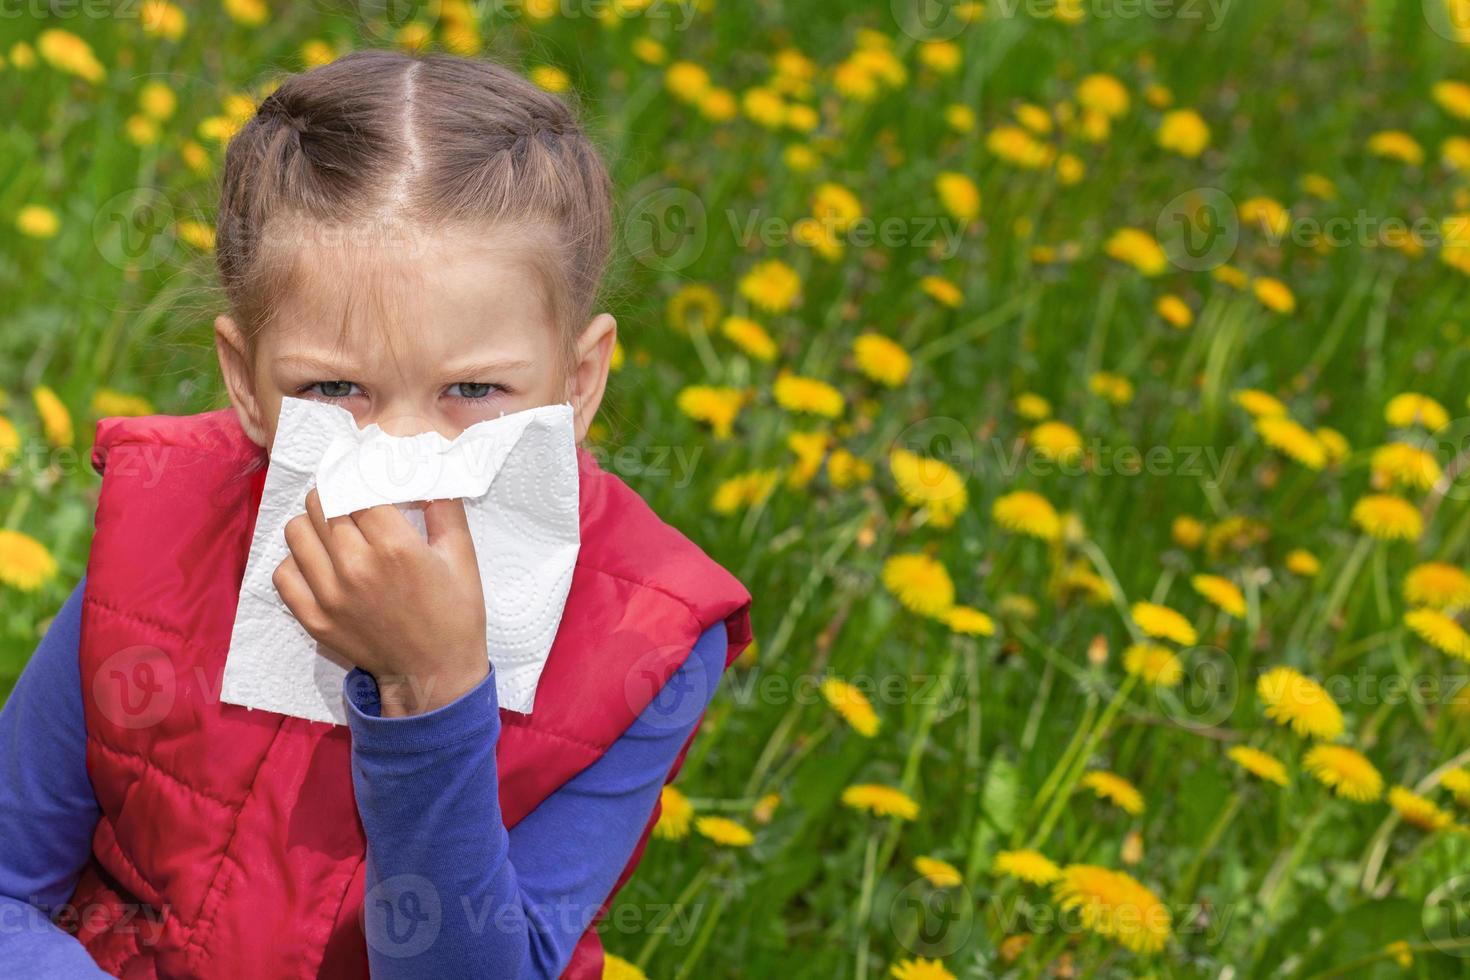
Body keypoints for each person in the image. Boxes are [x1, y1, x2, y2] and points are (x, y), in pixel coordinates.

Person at [0, 49, 751, 979]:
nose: (401, 454)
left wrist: (432, 697)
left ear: (579, 380)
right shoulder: (160, 525)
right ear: (246, 382)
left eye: (473, 388)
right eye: (336, 387)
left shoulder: (650, 637)